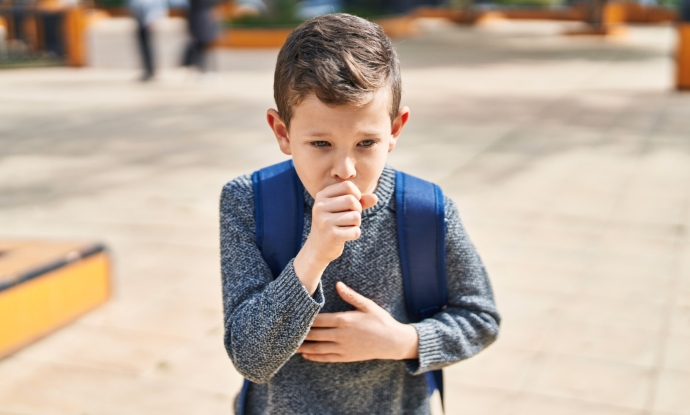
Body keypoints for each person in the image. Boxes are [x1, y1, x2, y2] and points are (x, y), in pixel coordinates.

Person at [219, 13, 500, 415]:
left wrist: (405, 341)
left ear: (396, 130)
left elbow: (480, 317)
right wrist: (314, 254)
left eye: (366, 142)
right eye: (320, 143)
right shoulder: (247, 202)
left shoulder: (427, 210)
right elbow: (250, 359)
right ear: (282, 132)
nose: (345, 169)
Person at [128, 0, 167, 81]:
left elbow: (158, 7)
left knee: (148, 47)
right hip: (141, 22)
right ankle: (147, 69)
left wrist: (153, 20)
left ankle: (151, 70)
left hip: (148, 23)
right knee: (143, 47)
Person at [181, 0, 218, 74]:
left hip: (201, 20)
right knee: (199, 45)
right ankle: (197, 66)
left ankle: (197, 66)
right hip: (201, 21)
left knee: (200, 45)